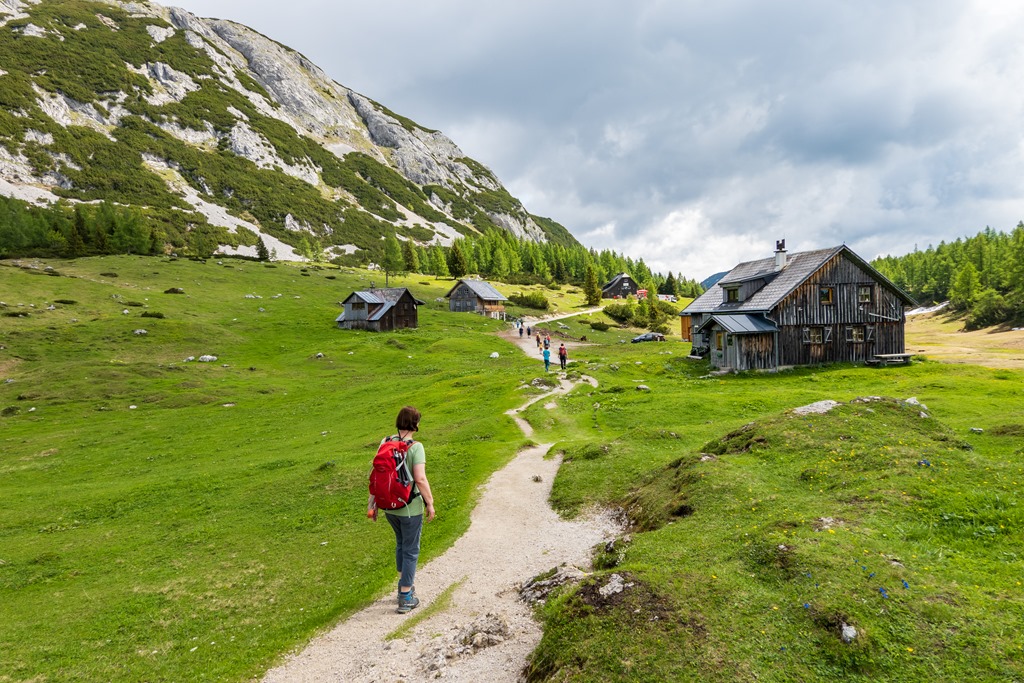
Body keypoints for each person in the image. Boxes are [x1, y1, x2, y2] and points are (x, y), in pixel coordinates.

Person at [367, 406, 435, 614]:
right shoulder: (416, 447)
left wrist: (372, 504)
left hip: (389, 507)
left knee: (401, 544)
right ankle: (405, 596)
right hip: (409, 507)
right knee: (411, 550)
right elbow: (420, 479)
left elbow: (376, 476)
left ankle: (402, 585)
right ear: (416, 424)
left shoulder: (385, 442)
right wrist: (430, 503)